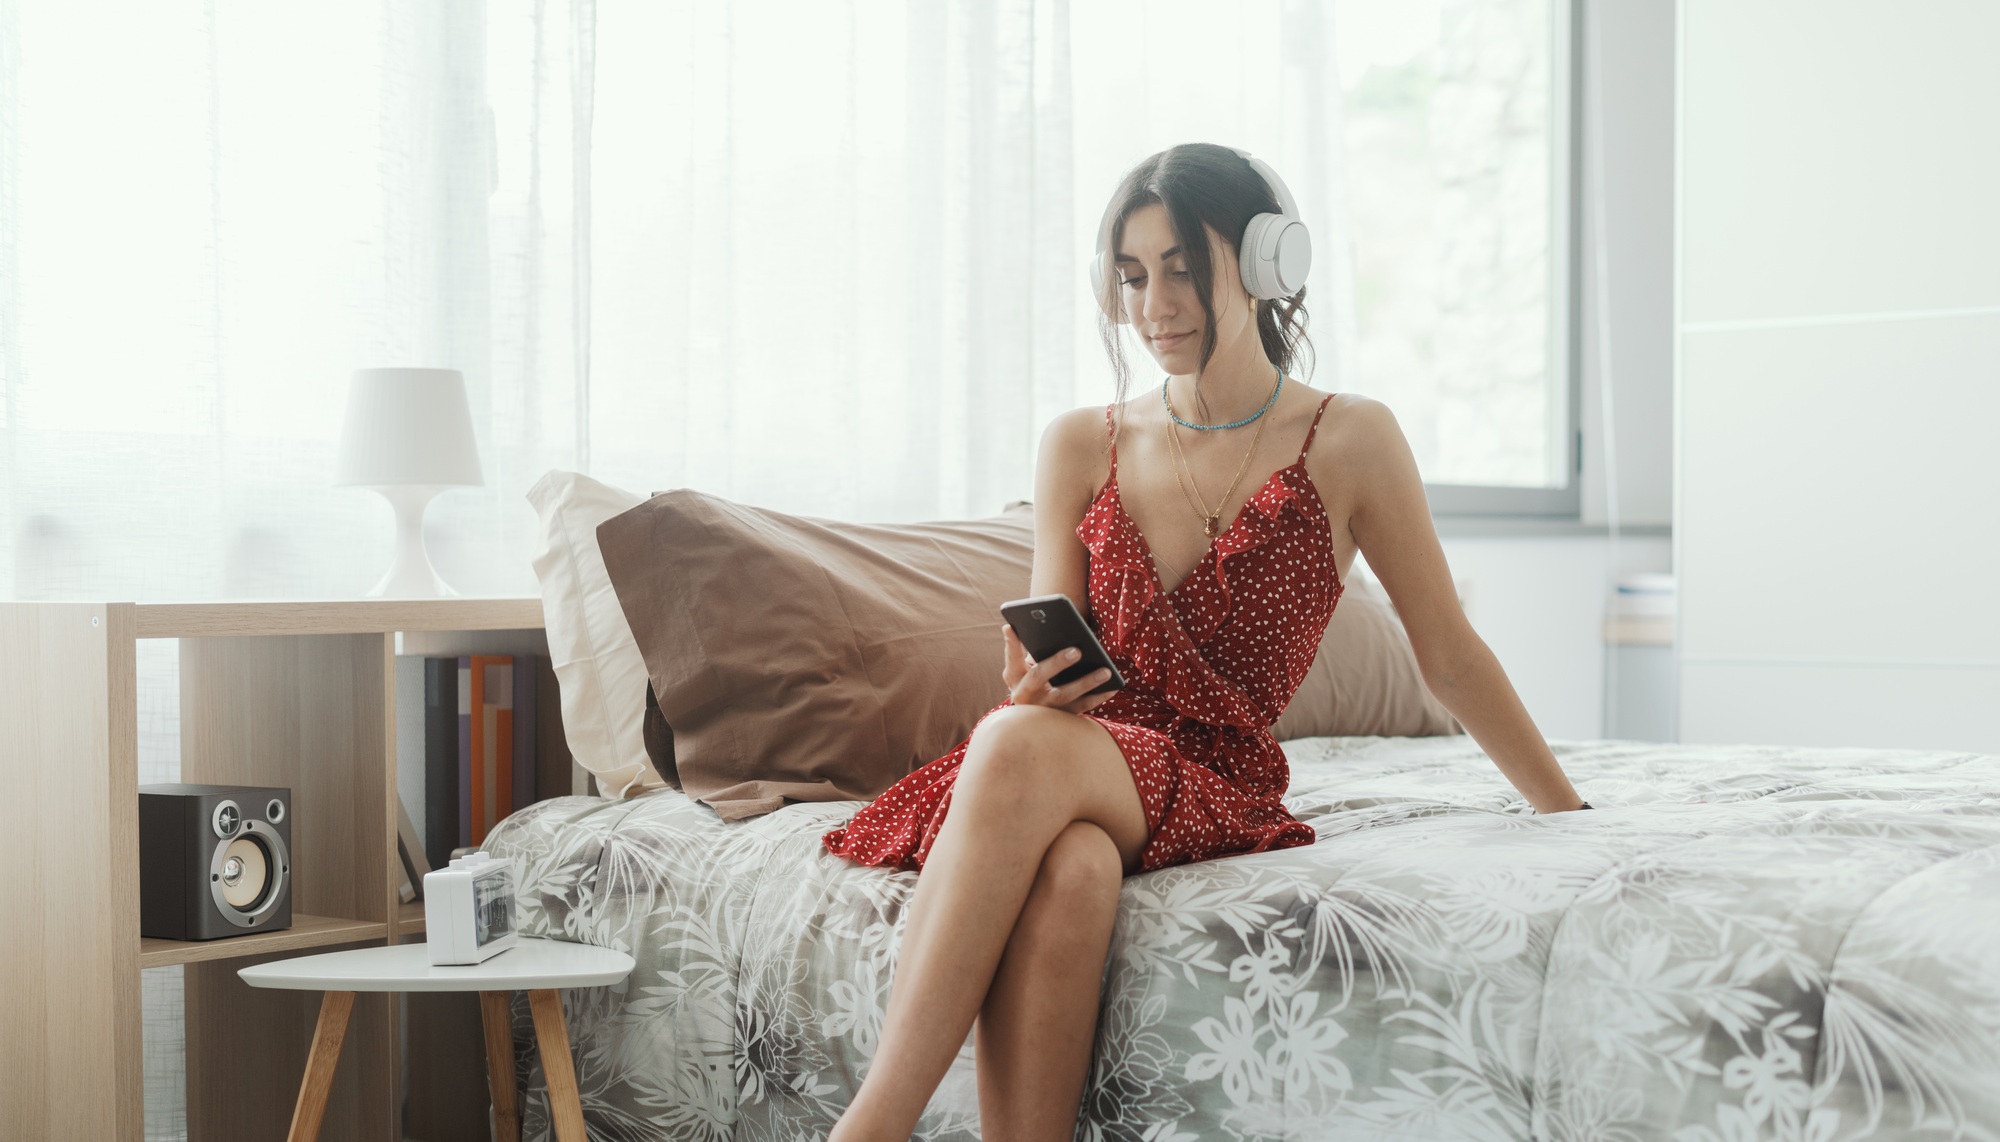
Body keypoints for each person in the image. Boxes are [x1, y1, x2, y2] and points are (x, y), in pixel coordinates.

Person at [821, 142, 1588, 1142]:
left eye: (1181, 267)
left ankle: (868, 1127)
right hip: (1073, 763)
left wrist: (1566, 813)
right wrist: (1036, 684)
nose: (1154, 305)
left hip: (1208, 772)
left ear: (1266, 263)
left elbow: (1445, 653)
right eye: (1132, 276)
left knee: (1014, 753)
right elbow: (1049, 659)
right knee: (1074, 868)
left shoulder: (1351, 439)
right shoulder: (1078, 442)